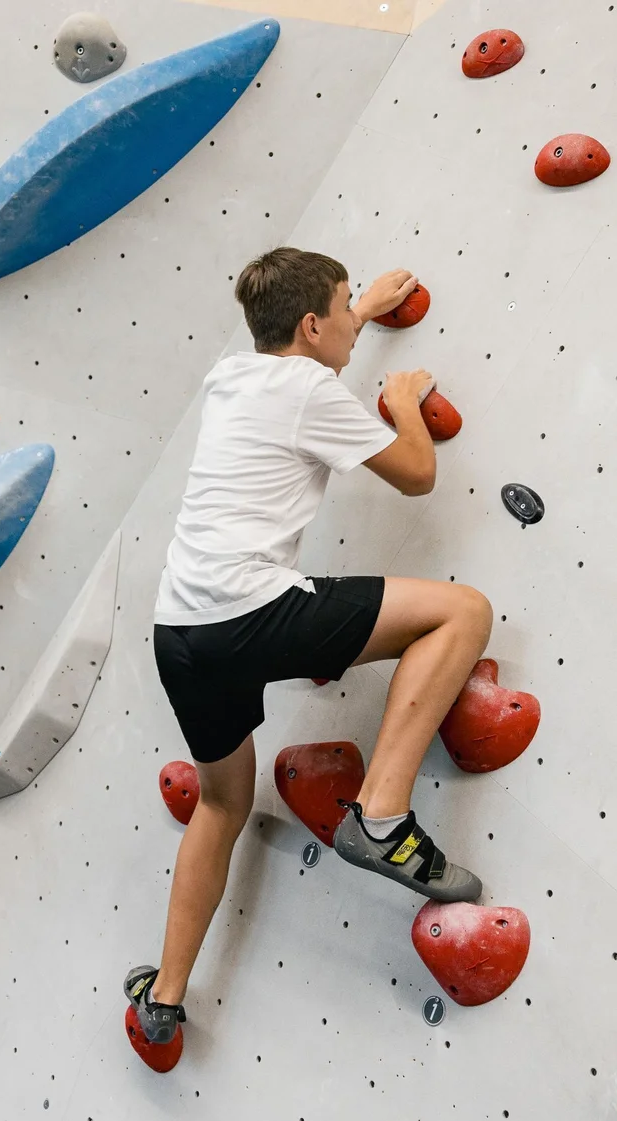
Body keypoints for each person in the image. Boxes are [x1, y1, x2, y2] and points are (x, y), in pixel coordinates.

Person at [126, 247, 494, 1052]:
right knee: (462, 613)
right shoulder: (309, 389)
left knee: (222, 803)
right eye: (343, 307)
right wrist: (401, 401)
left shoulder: (236, 373)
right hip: (251, 614)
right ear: (309, 325)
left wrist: (358, 311)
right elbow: (416, 476)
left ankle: (165, 994)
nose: (354, 327)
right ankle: (383, 812)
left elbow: (306, 342)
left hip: (180, 632)